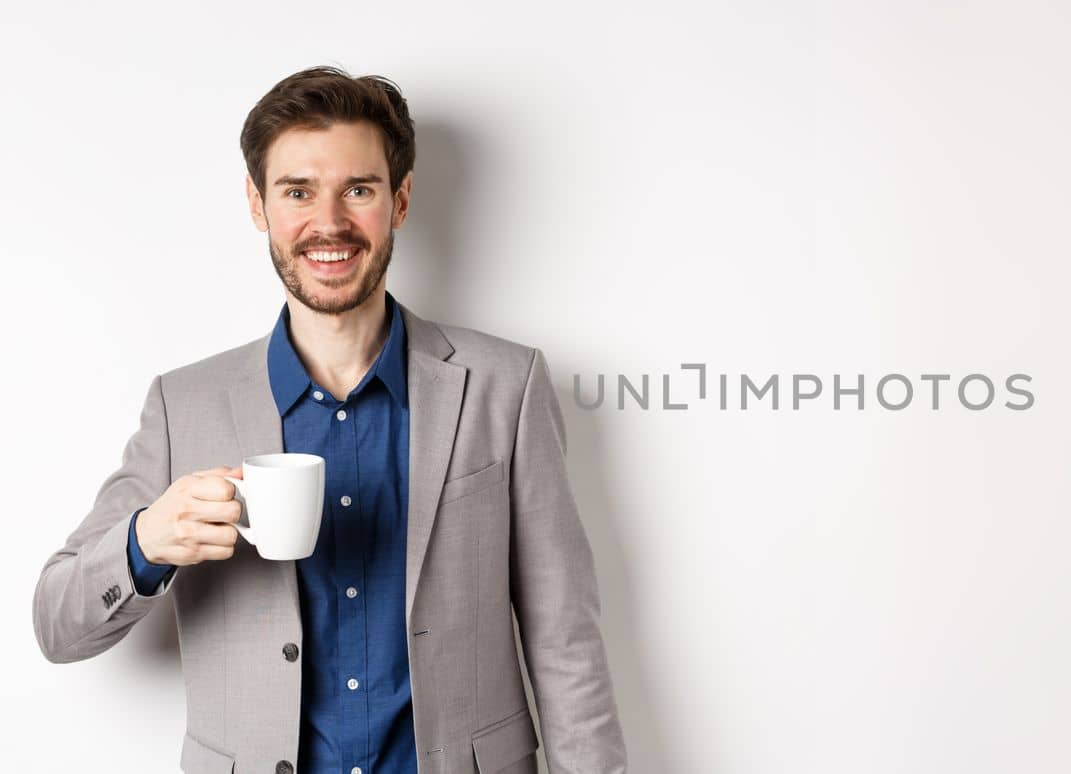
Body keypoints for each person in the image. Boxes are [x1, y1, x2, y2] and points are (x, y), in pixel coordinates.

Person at [30, 66, 628, 774]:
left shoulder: (507, 385)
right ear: (258, 204)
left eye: (359, 189)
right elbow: (56, 625)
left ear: (400, 200)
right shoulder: (182, 405)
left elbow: (565, 639)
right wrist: (146, 541)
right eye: (297, 191)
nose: (330, 222)